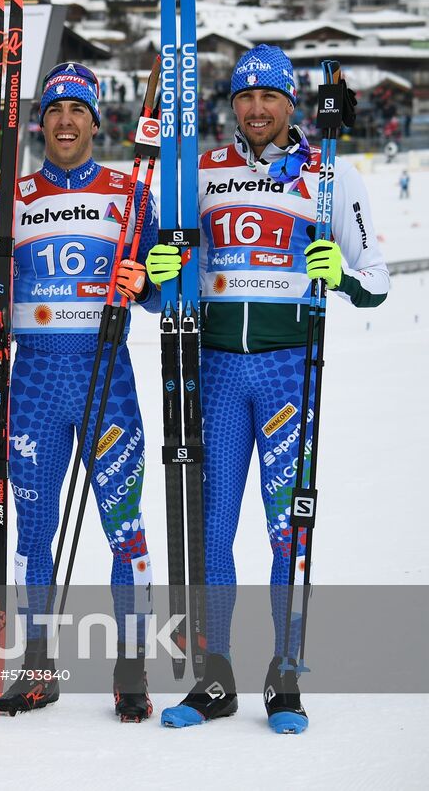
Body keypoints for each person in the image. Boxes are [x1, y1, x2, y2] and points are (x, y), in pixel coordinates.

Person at [146, 44, 389, 733]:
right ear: (233, 107)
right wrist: (167, 265)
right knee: (213, 529)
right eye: (245, 98)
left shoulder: (328, 175)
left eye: (269, 98)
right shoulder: (203, 169)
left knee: (288, 531)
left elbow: (377, 277)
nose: (256, 110)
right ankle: (214, 678)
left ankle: (286, 676)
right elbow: (169, 269)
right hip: (217, 370)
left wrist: (338, 274)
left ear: (291, 104)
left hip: (287, 372)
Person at [0, 62, 158, 722]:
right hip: (36, 379)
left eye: (78, 110)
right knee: (34, 532)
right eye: (55, 111)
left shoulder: (130, 191)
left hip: (108, 378)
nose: (66, 121)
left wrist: (146, 281)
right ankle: (37, 664)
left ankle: (131, 667)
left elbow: (162, 287)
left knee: (124, 528)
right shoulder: (8, 196)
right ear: (41, 122)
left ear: (96, 122)